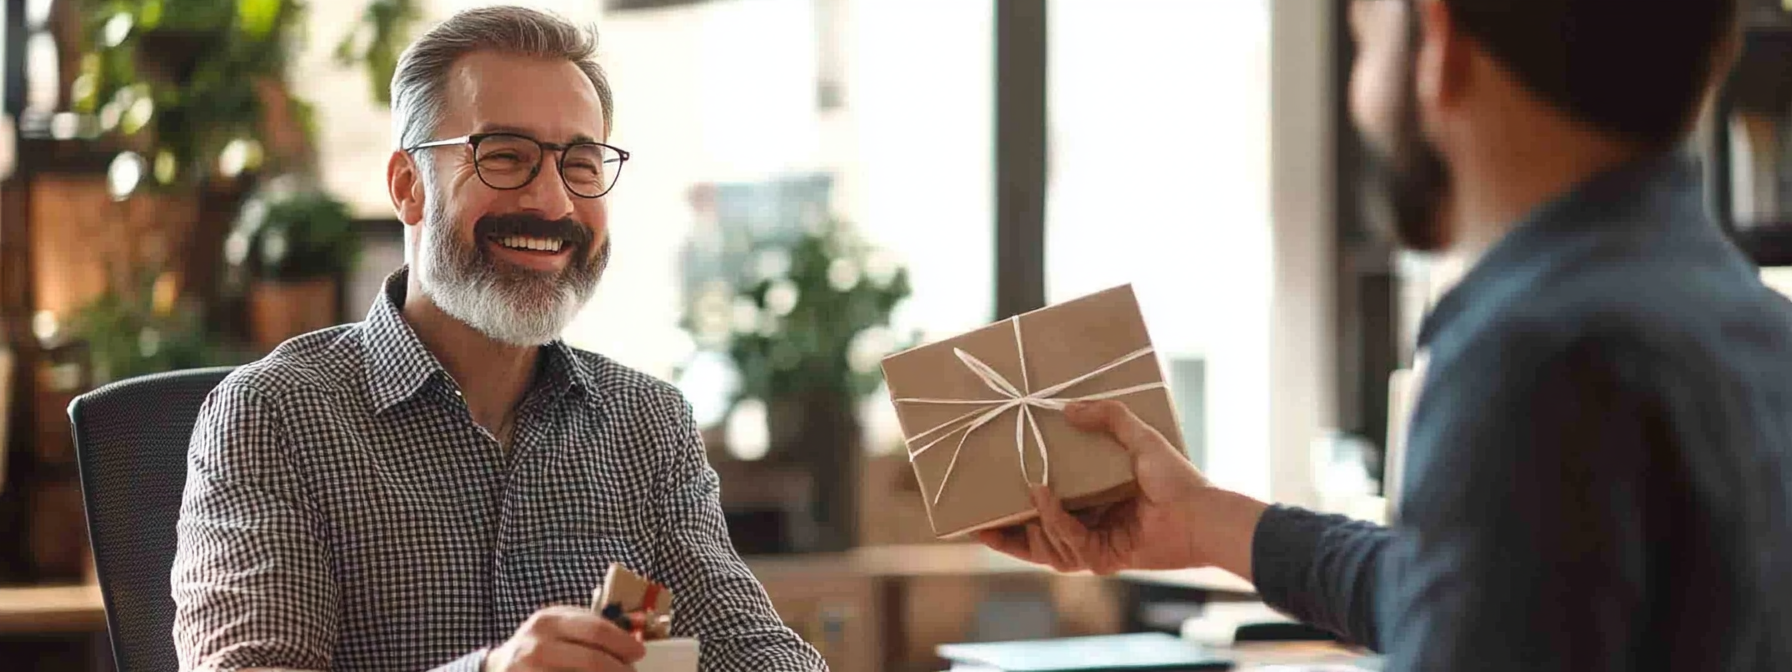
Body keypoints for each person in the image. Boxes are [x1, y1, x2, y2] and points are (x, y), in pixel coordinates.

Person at [983, 0, 1792, 670]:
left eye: (1365, 43)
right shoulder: (1751, 323)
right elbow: (1469, 594)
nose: (1359, 94)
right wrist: (1203, 522)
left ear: (1438, 44)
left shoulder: (1536, 360)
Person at [170, 7, 826, 672]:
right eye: (506, 157)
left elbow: (752, 654)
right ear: (408, 187)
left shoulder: (648, 427)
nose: (553, 203)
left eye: (581, 163)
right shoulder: (274, 417)